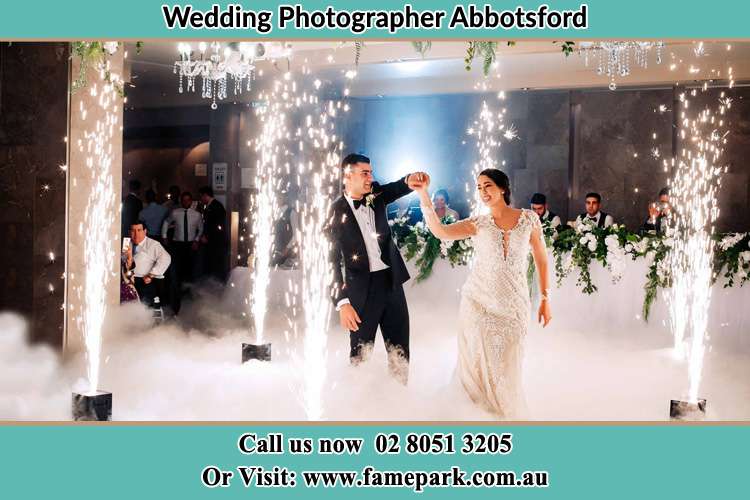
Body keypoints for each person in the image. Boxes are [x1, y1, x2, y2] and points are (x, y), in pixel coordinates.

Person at [415, 168, 551, 419]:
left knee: (508, 365)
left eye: (487, 185)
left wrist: (545, 298)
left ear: (502, 188)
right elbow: (441, 232)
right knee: (477, 362)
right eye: (478, 187)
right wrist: (423, 195)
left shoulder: (529, 219)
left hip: (514, 305)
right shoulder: (478, 223)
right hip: (478, 302)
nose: (483, 192)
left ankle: (506, 416)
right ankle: (479, 417)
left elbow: (541, 260)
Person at [325, 153, 428, 384]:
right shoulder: (334, 211)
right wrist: (342, 303)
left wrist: (409, 180)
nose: (370, 177)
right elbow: (329, 261)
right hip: (361, 291)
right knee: (360, 356)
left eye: (371, 172)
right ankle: (358, 408)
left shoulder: (375, 194)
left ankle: (398, 400)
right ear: (347, 176)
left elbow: (395, 188)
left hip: (391, 283)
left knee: (400, 351)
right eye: (364, 173)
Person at [162, 192, 203, 313]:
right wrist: (164, 236)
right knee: (176, 271)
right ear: (181, 201)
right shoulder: (175, 213)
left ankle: (188, 296)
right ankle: (176, 295)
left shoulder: (197, 215)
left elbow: (201, 228)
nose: (186, 202)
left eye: (188, 200)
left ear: (191, 201)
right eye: (184, 200)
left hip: (190, 245)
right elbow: (166, 222)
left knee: (189, 270)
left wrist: (196, 240)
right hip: (177, 245)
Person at [123, 222, 171, 307]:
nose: (136, 234)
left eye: (139, 230)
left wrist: (151, 274)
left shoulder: (153, 244)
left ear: (145, 231)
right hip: (127, 280)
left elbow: (166, 258)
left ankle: (141, 318)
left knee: (141, 303)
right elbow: (122, 261)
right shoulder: (127, 243)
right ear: (129, 232)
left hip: (144, 281)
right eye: (133, 231)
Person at [199, 186, 228, 283]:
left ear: (205, 195)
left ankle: (216, 287)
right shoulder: (210, 206)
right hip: (213, 242)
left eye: (201, 196)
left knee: (216, 266)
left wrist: (208, 237)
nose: (200, 199)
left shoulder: (216, 206)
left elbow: (218, 226)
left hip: (216, 243)